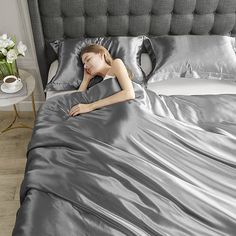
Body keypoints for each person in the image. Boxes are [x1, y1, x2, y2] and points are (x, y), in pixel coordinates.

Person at [69, 44, 135, 116]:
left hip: (125, 112)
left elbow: (129, 93)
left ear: (101, 54)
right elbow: (76, 101)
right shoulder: (97, 84)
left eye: (88, 59)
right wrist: (85, 80)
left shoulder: (116, 64)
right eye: (84, 64)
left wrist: (90, 106)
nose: (85, 66)